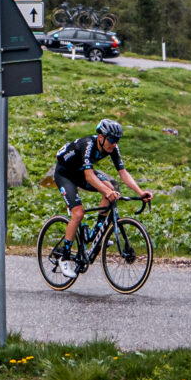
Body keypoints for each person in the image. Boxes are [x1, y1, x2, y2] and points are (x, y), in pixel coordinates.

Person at [52, 119, 147, 280]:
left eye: (117, 140)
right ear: (101, 137)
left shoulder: (113, 148)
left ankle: (96, 234)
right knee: (78, 213)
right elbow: (89, 176)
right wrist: (106, 191)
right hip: (65, 174)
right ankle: (64, 257)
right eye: (111, 139)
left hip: (80, 172)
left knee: (112, 187)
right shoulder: (88, 144)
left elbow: (123, 173)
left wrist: (140, 191)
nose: (114, 144)